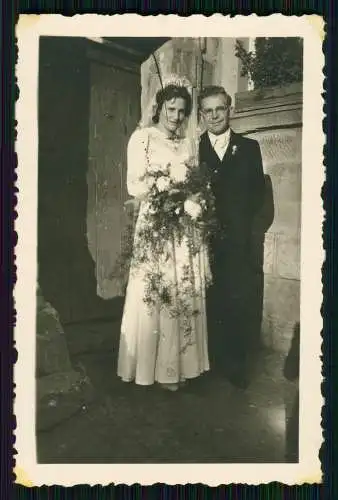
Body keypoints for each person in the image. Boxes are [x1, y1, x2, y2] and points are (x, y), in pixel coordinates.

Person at [117, 77, 210, 392]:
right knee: (157, 291)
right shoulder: (142, 138)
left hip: (183, 228)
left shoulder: (187, 142)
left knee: (181, 289)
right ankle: (150, 369)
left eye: (182, 111)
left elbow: (195, 181)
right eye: (171, 109)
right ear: (159, 108)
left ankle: (177, 368)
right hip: (156, 224)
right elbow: (135, 185)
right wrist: (167, 194)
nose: (176, 117)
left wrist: (195, 199)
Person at [198, 85, 265, 388]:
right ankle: (208, 364)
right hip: (204, 241)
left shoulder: (249, 148)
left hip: (238, 242)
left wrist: (250, 238)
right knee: (207, 301)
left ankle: (236, 366)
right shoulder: (194, 149)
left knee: (237, 301)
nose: (214, 115)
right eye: (208, 110)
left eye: (219, 109)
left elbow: (258, 199)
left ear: (230, 110)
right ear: (201, 115)